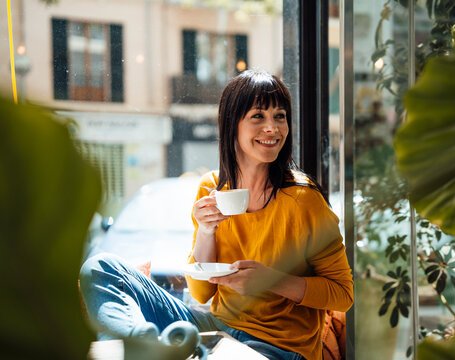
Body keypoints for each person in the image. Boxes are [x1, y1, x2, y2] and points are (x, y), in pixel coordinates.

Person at [79, 69, 353, 360]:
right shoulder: (211, 188)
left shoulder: (303, 200)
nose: (272, 128)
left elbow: (342, 294)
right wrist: (206, 230)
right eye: (258, 116)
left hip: (278, 348)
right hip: (216, 327)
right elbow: (201, 294)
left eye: (280, 116)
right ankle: (140, 340)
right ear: (232, 124)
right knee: (101, 267)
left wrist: (271, 280)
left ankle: (158, 348)